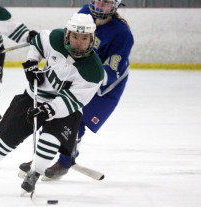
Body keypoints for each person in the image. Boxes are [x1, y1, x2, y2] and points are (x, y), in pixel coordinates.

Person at [0, 13, 104, 193]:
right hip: (34, 96)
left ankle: (35, 173)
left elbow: (73, 100)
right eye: (75, 37)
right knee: (8, 136)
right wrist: (31, 63)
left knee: (50, 141)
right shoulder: (54, 38)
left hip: (66, 109)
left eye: (84, 38)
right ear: (68, 35)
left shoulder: (94, 72)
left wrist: (49, 109)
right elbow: (37, 42)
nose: (78, 42)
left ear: (92, 39)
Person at [19, 0, 134, 180]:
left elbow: (113, 67)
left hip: (104, 86)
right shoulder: (84, 13)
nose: (99, 5)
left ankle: (65, 162)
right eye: (97, 0)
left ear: (114, 6)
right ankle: (41, 157)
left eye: (105, 2)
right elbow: (67, 37)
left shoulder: (122, 34)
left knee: (75, 121)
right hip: (77, 76)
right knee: (52, 113)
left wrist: (86, 77)